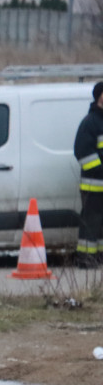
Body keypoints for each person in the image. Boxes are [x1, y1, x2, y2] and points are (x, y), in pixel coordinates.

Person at [73, 81, 103, 268]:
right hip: (94, 185)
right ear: (99, 97)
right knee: (91, 223)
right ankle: (85, 259)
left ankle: (98, 256)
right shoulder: (90, 122)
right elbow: (83, 152)